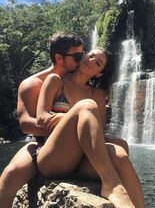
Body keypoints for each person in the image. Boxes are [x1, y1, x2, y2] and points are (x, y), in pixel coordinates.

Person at [35, 47, 145, 208]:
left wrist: (73, 117)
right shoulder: (56, 81)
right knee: (86, 106)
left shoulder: (98, 95)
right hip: (54, 158)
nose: (92, 61)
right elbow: (42, 117)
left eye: (98, 63)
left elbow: (97, 133)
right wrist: (72, 117)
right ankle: (111, 185)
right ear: (84, 55)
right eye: (91, 55)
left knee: (121, 151)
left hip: (82, 162)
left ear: (99, 73)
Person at [0, 32, 84, 207]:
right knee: (9, 176)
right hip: (39, 144)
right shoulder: (32, 84)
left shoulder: (77, 82)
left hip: (74, 146)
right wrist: (65, 126)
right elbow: (26, 124)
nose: (81, 60)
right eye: (77, 56)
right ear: (59, 58)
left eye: (82, 55)